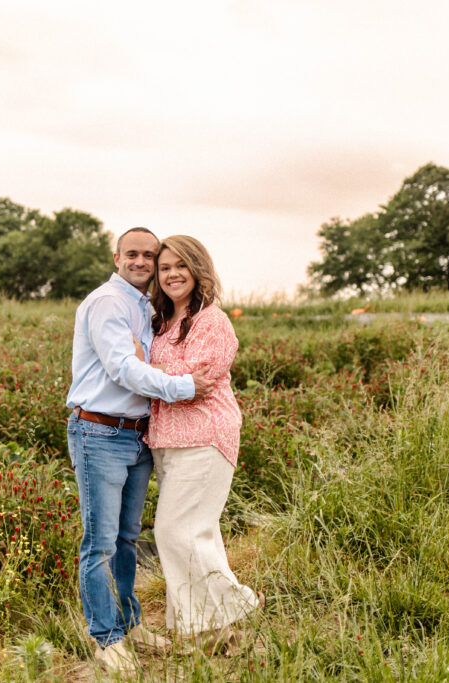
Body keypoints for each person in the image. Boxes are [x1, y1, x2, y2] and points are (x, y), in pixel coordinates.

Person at [65, 227, 212, 674]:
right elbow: (122, 368)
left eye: (151, 256)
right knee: (101, 543)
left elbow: (143, 363)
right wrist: (181, 386)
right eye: (134, 254)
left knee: (128, 539)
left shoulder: (145, 307)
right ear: (116, 257)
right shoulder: (108, 303)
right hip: (101, 433)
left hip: (136, 435)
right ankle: (106, 638)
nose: (143, 262)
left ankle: (128, 624)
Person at [139, 235, 262, 651]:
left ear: (198, 269)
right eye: (165, 267)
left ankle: (232, 609)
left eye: (181, 266)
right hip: (168, 442)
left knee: (176, 531)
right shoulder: (162, 321)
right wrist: (160, 372)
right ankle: (206, 629)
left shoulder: (212, 320)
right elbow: (171, 377)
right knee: (194, 532)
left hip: (205, 438)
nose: (172, 274)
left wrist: (146, 368)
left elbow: (197, 380)